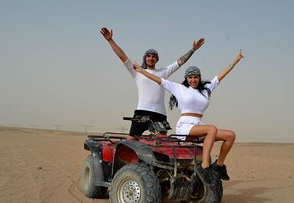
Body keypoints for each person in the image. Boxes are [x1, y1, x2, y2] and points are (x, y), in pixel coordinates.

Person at [133, 50, 244, 186]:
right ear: (186, 79)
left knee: (230, 136)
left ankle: (219, 166)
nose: (193, 80)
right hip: (185, 126)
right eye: (190, 77)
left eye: (195, 77)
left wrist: (235, 61)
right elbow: (159, 80)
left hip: (199, 125)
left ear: (199, 78)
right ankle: (204, 166)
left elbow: (220, 76)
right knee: (211, 129)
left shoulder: (206, 89)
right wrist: (141, 70)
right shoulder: (179, 88)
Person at [100, 27, 205, 139]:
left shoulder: (163, 72)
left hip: (159, 114)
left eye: (154, 56)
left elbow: (180, 62)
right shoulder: (137, 70)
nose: (151, 58)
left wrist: (193, 49)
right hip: (142, 112)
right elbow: (122, 56)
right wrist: (110, 40)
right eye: (149, 56)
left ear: (157, 59)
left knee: (163, 144)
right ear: (145, 58)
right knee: (130, 141)